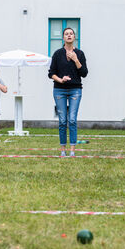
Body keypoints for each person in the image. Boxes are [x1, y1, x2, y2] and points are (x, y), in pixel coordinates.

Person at [48, 27, 88, 157]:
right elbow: (51, 73)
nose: (69, 35)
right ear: (63, 38)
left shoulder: (80, 54)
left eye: (71, 34)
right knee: (62, 121)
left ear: (74, 37)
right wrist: (60, 79)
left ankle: (72, 150)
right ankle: (62, 150)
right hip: (59, 90)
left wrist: (76, 60)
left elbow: (84, 73)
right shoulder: (57, 54)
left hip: (75, 90)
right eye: (66, 34)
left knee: (72, 119)